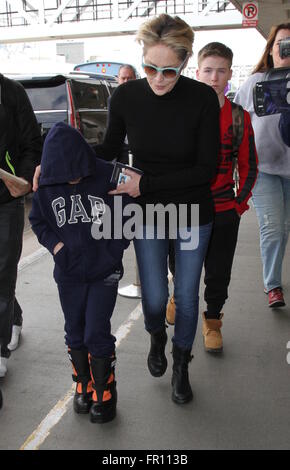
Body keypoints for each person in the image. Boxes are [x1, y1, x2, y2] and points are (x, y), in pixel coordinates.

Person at [94, 14, 220, 404]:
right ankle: (156, 335)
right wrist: (62, 158)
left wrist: (144, 183)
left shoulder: (201, 99)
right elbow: (108, 150)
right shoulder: (126, 97)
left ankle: (181, 362)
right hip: (146, 212)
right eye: (151, 67)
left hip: (192, 212)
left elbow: (206, 170)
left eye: (169, 70)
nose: (159, 78)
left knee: (185, 295)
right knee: (152, 298)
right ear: (142, 58)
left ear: (184, 63)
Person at [29, 122, 130, 423]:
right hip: (69, 275)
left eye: (77, 174)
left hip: (105, 272)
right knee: (74, 330)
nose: (72, 180)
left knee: (96, 330)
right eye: (65, 176)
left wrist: (114, 248)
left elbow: (129, 209)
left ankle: (105, 390)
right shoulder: (45, 187)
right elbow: (38, 222)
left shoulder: (108, 175)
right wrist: (57, 248)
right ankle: (82, 384)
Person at [166, 42, 258, 353]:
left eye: (220, 71)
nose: (214, 77)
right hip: (184, 208)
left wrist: (238, 205)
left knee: (218, 273)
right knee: (179, 264)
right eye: (208, 70)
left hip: (222, 209)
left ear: (230, 74)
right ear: (197, 72)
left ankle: (213, 322)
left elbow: (249, 165)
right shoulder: (178, 113)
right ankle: (177, 296)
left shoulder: (238, 117)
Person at [234, 23, 290, 308]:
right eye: (282, 42)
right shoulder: (255, 81)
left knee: (286, 226)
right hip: (265, 169)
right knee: (273, 228)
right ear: (270, 48)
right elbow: (238, 122)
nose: (286, 48)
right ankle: (273, 284)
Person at [0, 74, 42, 378]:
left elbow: (31, 142)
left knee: (3, 270)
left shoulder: (11, 92)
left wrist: (23, 182)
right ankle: (13, 316)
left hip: (5, 199)